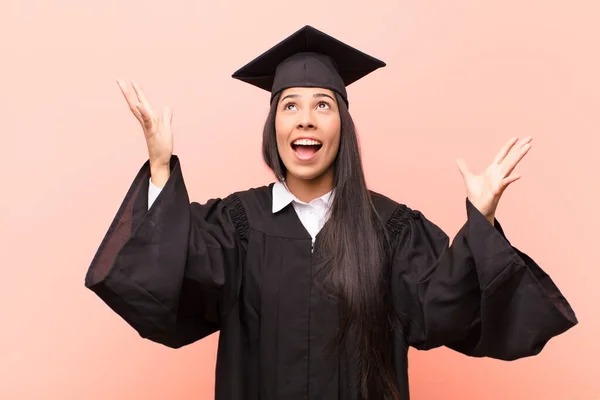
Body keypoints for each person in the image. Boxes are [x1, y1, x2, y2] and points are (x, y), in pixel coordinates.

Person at [84, 25, 577, 400]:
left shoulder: (390, 230)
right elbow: (167, 283)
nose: (305, 119)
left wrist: (482, 221)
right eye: (289, 105)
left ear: (343, 123)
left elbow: (441, 310)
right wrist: (161, 170)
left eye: (323, 105)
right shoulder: (236, 227)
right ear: (273, 123)